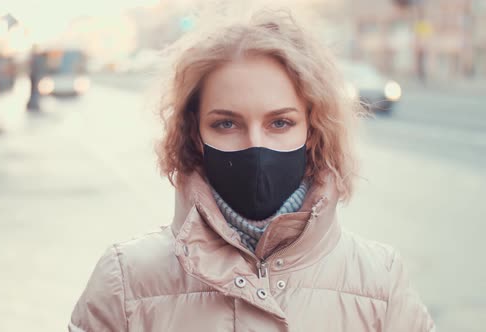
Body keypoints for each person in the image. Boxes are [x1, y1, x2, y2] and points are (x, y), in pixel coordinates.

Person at [68, 7, 435, 332]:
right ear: (195, 133)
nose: (255, 146)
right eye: (227, 124)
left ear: (312, 129)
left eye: (280, 123)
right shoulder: (126, 283)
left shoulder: (379, 283)